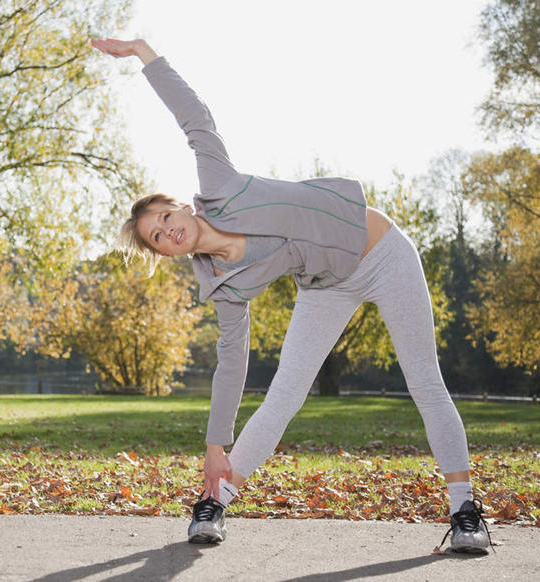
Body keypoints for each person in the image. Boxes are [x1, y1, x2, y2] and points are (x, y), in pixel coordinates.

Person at [91, 38, 492, 554]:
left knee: (425, 382)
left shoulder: (221, 184)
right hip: (325, 285)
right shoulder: (222, 285)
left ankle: (465, 512)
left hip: (383, 253)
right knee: (283, 394)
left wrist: (145, 55)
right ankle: (215, 503)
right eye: (156, 237)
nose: (167, 231)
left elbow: (194, 118)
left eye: (165, 217)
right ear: (163, 252)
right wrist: (214, 445)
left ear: (182, 207)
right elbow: (231, 363)